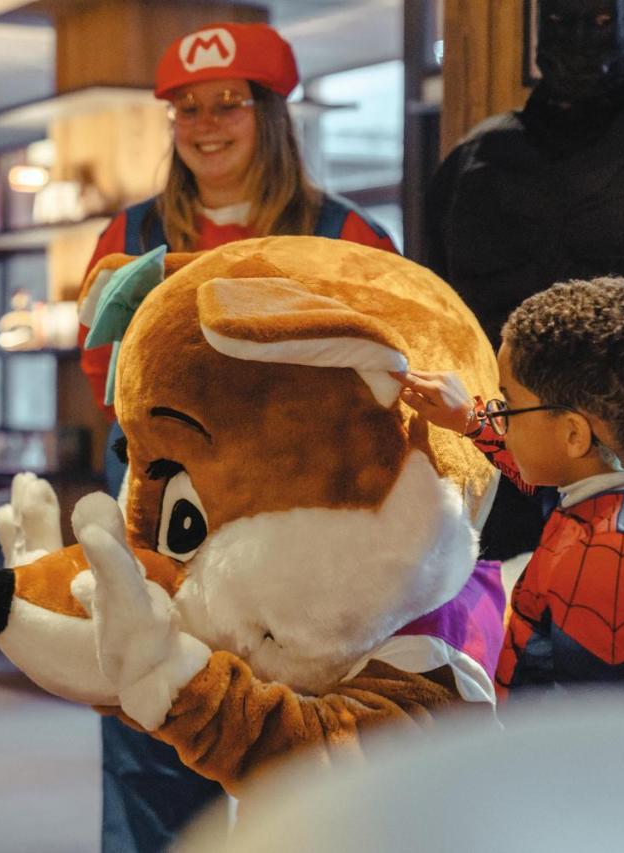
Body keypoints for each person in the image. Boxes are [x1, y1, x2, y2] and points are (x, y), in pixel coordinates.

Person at [76, 21, 398, 853]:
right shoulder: (127, 240)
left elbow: (390, 386)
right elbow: (106, 379)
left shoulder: (349, 239)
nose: (207, 125)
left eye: (229, 104)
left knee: (295, 767)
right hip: (167, 535)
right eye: (187, 109)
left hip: (302, 546)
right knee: (154, 738)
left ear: (272, 116)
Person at [425, 0, 624, 559]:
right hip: (494, 489)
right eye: (559, 16)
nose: (577, 33)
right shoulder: (475, 162)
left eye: (599, 18)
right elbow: (438, 324)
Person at [397, 278, 624, 698]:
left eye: (509, 404)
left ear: (574, 434)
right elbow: (545, 476)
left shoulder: (609, 566)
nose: (502, 415)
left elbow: (599, 744)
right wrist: (471, 420)